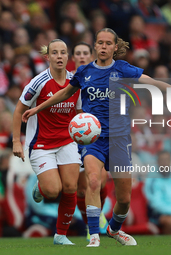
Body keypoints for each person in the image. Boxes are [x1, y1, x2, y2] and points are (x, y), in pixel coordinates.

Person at [22, 28, 171, 247]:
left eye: (107, 43)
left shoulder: (123, 69)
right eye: (100, 43)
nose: (103, 47)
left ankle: (113, 229)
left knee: (124, 199)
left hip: (120, 139)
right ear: (95, 46)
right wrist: (38, 108)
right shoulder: (84, 72)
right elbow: (64, 93)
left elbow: (152, 82)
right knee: (93, 181)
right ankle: (94, 235)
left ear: (115, 47)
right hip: (93, 140)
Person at [12, 39, 82, 245]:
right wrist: (16, 141)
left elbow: (79, 112)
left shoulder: (75, 82)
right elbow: (18, 110)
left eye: (63, 53)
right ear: (48, 57)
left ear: (67, 57)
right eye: (55, 53)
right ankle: (40, 188)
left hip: (67, 141)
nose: (59, 56)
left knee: (70, 187)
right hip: (41, 143)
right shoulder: (38, 82)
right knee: (53, 190)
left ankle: (60, 236)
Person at [71, 42, 109, 237]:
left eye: (86, 53)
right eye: (78, 53)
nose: (82, 56)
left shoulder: (100, 77)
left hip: (96, 136)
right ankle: (89, 225)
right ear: (74, 57)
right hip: (73, 137)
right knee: (80, 188)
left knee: (99, 181)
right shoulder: (69, 80)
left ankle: (98, 213)